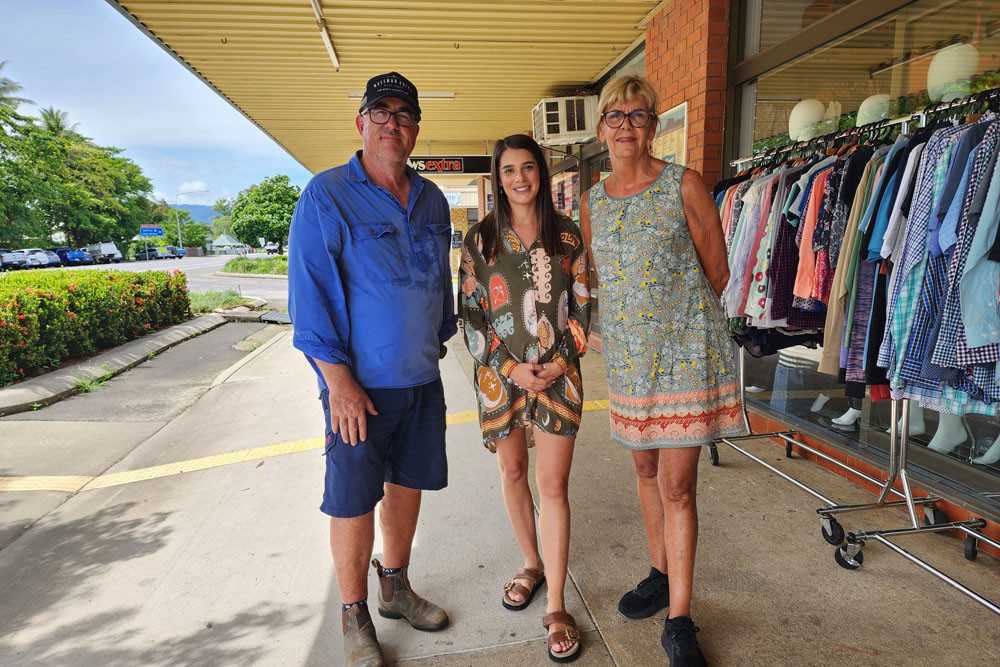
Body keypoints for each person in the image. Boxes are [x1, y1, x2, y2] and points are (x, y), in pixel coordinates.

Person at [287, 72, 456, 667]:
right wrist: (339, 385)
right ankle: (354, 616)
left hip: (421, 380)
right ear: (360, 123)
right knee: (354, 499)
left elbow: (441, 283)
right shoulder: (327, 194)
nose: (392, 123)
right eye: (379, 112)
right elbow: (309, 301)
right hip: (357, 387)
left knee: (407, 485)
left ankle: (396, 587)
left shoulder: (433, 200)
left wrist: (438, 342)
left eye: (404, 115)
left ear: (415, 129)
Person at [579, 75, 742, 666]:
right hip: (627, 361)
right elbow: (598, 278)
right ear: (602, 129)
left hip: (682, 357)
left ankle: (680, 620)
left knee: (677, 485)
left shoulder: (684, 184)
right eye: (615, 116)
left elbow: (718, 272)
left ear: (655, 126)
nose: (626, 125)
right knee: (645, 470)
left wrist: (670, 320)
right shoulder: (592, 200)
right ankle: (658, 570)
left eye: (638, 115)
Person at [458, 134, 591, 663]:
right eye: (509, 169)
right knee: (513, 475)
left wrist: (560, 361)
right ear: (497, 177)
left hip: (560, 376)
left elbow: (583, 305)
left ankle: (556, 605)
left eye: (529, 167)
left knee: (552, 486)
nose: (520, 178)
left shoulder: (568, 236)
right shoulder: (479, 240)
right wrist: (510, 366)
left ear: (542, 172)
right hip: (500, 375)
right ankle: (531, 564)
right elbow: (470, 314)